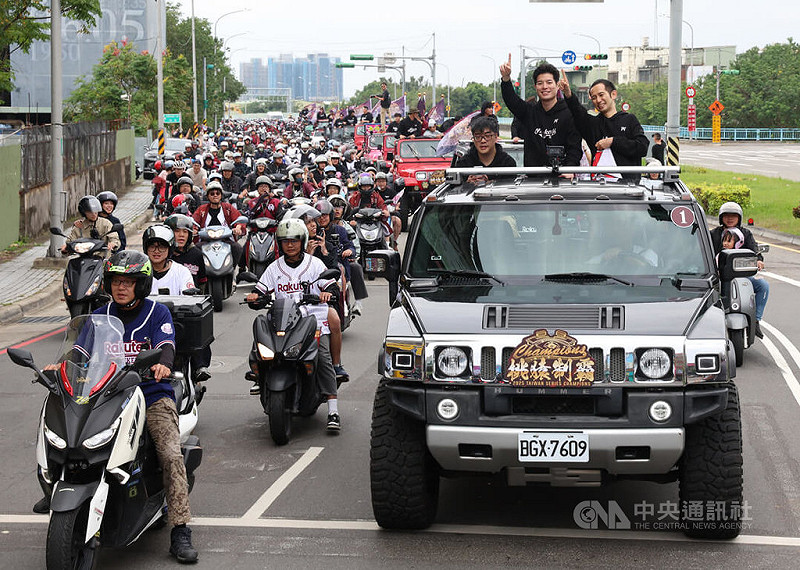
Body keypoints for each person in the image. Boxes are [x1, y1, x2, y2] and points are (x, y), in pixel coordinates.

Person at [35, 250, 199, 562]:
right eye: (115, 281)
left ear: (142, 284)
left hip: (150, 394)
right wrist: (62, 366)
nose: (121, 287)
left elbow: (166, 348)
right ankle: (58, 487)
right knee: (68, 434)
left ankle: (180, 529)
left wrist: (164, 365)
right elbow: (80, 353)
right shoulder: (99, 316)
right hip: (104, 394)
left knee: (169, 453)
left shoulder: (157, 314)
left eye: (128, 282)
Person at [245, 219, 343, 431]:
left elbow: (332, 286)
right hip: (283, 319)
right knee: (260, 346)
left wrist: (327, 293)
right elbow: (261, 290)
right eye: (285, 241)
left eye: (295, 241)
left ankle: (333, 410)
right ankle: (259, 375)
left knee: (322, 355)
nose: (290, 245)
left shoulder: (315, 264)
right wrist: (255, 296)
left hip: (313, 319)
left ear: (302, 241)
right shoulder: (274, 268)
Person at [558, 75, 649, 178]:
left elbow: (642, 147)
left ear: (613, 94)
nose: (598, 100)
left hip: (627, 187)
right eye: (594, 98)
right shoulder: (592, 124)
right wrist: (568, 94)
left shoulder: (629, 119)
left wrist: (613, 142)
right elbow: (578, 112)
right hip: (599, 188)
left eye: (601, 95)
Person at [499, 56, 582, 167]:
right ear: (535, 87)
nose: (545, 87)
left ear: (557, 85)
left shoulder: (568, 113)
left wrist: (570, 168)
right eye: (540, 83)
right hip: (533, 179)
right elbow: (512, 101)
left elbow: (575, 147)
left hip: (563, 178)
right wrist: (506, 78)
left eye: (549, 82)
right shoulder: (529, 112)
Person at [711, 201, 769, 338]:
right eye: (726, 215)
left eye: (733, 215)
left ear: (739, 218)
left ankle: (756, 319)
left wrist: (759, 260)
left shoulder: (746, 234)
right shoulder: (713, 234)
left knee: (763, 285)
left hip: (743, 276)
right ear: (721, 218)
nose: (730, 218)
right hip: (719, 277)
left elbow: (754, 251)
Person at [192, 181, 246, 271]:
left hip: (225, 240)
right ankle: (201, 274)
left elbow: (238, 219)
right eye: (212, 193)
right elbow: (194, 222)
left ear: (221, 195)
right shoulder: (201, 209)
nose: (215, 195)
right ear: (208, 196)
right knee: (195, 250)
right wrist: (194, 229)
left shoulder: (228, 208)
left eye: (217, 193)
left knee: (237, 248)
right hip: (206, 241)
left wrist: (238, 227)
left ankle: (231, 270)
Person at [454, 115, 517, 183]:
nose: (483, 141)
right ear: (473, 138)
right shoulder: (463, 163)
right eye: (478, 136)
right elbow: (454, 189)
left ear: (496, 136)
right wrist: (466, 184)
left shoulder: (507, 163)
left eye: (487, 136)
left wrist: (491, 184)